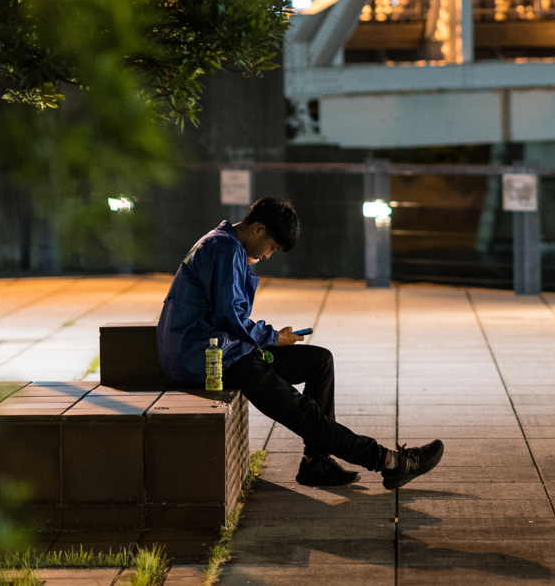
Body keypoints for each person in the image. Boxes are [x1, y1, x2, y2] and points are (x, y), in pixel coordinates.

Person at [156, 197, 443, 489]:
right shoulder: (225, 248)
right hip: (208, 359)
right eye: (272, 247)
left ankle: (316, 462)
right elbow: (229, 315)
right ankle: (390, 461)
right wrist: (274, 337)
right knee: (300, 409)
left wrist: (272, 336)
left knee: (319, 361)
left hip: (217, 348)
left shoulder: (223, 242)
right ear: (258, 230)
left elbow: (228, 314)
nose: (268, 256)